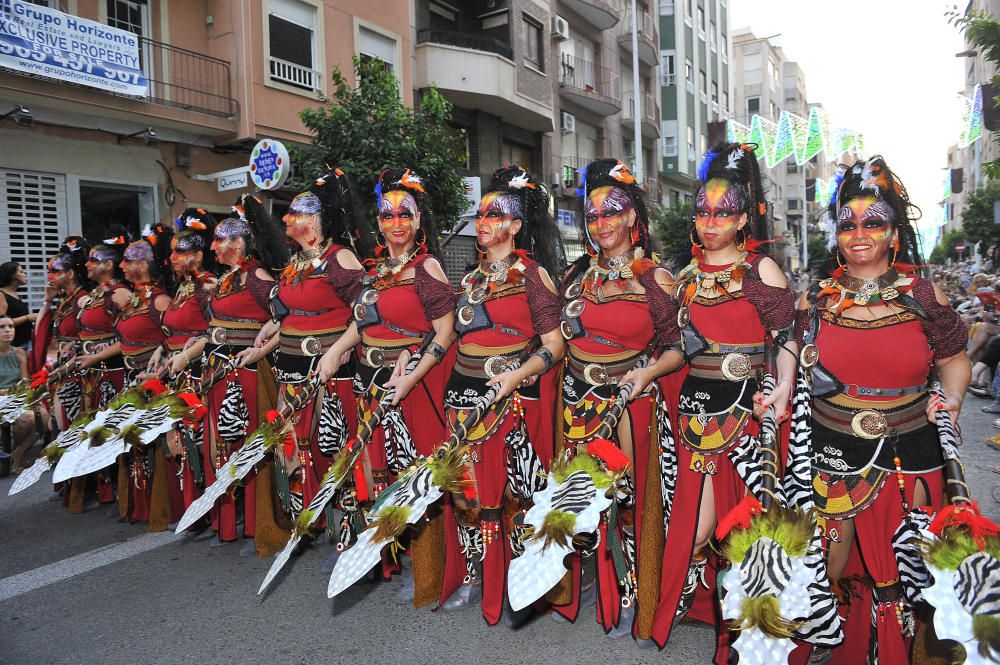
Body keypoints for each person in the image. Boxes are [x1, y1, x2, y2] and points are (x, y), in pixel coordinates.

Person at [796, 156, 969, 664]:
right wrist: (778, 395)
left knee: (909, 567)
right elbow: (793, 367)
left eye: (873, 221)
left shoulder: (922, 294)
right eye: (848, 223)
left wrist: (953, 400)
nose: (859, 233)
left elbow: (954, 360)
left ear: (894, 231)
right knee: (830, 564)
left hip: (911, 449)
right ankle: (846, 640)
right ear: (836, 235)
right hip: (834, 448)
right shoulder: (818, 301)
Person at [650, 143, 796, 657]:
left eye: (724, 212)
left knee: (745, 535)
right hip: (692, 421)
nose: (711, 221)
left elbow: (784, 340)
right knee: (693, 531)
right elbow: (672, 348)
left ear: (741, 219)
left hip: (748, 422)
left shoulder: (762, 272)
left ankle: (743, 639)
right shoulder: (684, 281)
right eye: (704, 211)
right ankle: (707, 612)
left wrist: (784, 383)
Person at [554, 158, 682, 640]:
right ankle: (596, 590)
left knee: (628, 504)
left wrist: (645, 373)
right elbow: (551, 339)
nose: (601, 222)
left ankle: (634, 593)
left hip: (631, 406)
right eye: (593, 215)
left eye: (612, 211)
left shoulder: (656, 279)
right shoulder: (574, 277)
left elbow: (676, 347)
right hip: (576, 400)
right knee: (583, 500)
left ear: (632, 217)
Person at [317, 168, 456, 591]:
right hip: (368, 381)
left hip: (414, 385)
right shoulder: (375, 271)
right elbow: (362, 322)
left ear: (417, 221)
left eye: (404, 215)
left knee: (416, 476)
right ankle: (380, 555)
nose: (395, 224)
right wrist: (336, 349)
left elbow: (446, 331)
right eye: (386, 215)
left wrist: (412, 374)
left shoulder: (428, 267)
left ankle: (431, 574)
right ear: (378, 222)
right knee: (375, 472)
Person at [437, 165, 564, 626]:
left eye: (495, 214)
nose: (483, 221)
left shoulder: (534, 277)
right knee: (465, 496)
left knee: (513, 499)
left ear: (514, 225)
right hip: (461, 398)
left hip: (509, 402)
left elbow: (554, 346)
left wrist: (516, 375)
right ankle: (473, 576)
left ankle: (519, 577)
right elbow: (452, 337)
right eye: (481, 214)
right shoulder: (469, 279)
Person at [239, 170, 369, 525]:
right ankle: (308, 520)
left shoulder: (339, 258)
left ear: (313, 221)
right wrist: (263, 345)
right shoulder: (295, 264)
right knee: (292, 445)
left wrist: (338, 348)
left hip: (330, 371)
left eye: (293, 214)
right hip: (291, 370)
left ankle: (348, 526)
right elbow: (291, 318)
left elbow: (368, 314)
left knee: (333, 445)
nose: (284, 218)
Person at [200, 196, 287, 555]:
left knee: (251, 444)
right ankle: (229, 518)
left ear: (238, 244)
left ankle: (259, 522)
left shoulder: (256, 276)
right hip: (219, 369)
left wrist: (263, 340)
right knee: (223, 443)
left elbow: (285, 314)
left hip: (249, 371)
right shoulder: (226, 280)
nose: (214, 247)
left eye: (220, 240)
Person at [73, 230, 133, 514]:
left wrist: (95, 356)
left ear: (108, 265)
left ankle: (123, 492)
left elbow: (129, 337)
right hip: (91, 373)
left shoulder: (121, 294)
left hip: (113, 373)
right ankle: (105, 489)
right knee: (95, 431)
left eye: (93, 260)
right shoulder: (96, 294)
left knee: (114, 430)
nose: (86, 265)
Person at [32, 238, 91, 431]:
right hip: (61, 370)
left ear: (71, 273)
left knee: (67, 427)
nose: (50, 276)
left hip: (78, 371)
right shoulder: (64, 301)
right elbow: (39, 331)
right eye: (49, 271)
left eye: (55, 271)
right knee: (56, 425)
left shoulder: (83, 299)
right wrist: (47, 301)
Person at [0, 315, 35, 471]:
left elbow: (25, 382)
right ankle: (13, 455)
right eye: (2, 327)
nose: (8, 330)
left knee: (42, 417)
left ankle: (18, 453)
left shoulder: (20, 352)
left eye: (11, 326)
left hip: (15, 397)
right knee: (25, 418)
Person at [0, 262, 35, 349]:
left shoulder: (15, 294)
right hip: (14, 346)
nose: (24, 274)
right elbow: (2, 323)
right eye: (21, 272)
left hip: (26, 342)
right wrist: (27, 317)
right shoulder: (1, 295)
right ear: (12, 276)